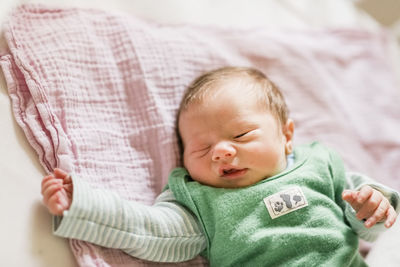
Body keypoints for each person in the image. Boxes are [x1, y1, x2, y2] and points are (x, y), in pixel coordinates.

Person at [41, 67, 399, 266]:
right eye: (202, 148)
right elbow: (147, 230)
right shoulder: (201, 202)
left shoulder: (320, 163)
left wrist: (373, 207)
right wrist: (83, 204)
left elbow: (366, 224)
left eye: (241, 135)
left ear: (287, 136)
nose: (222, 152)